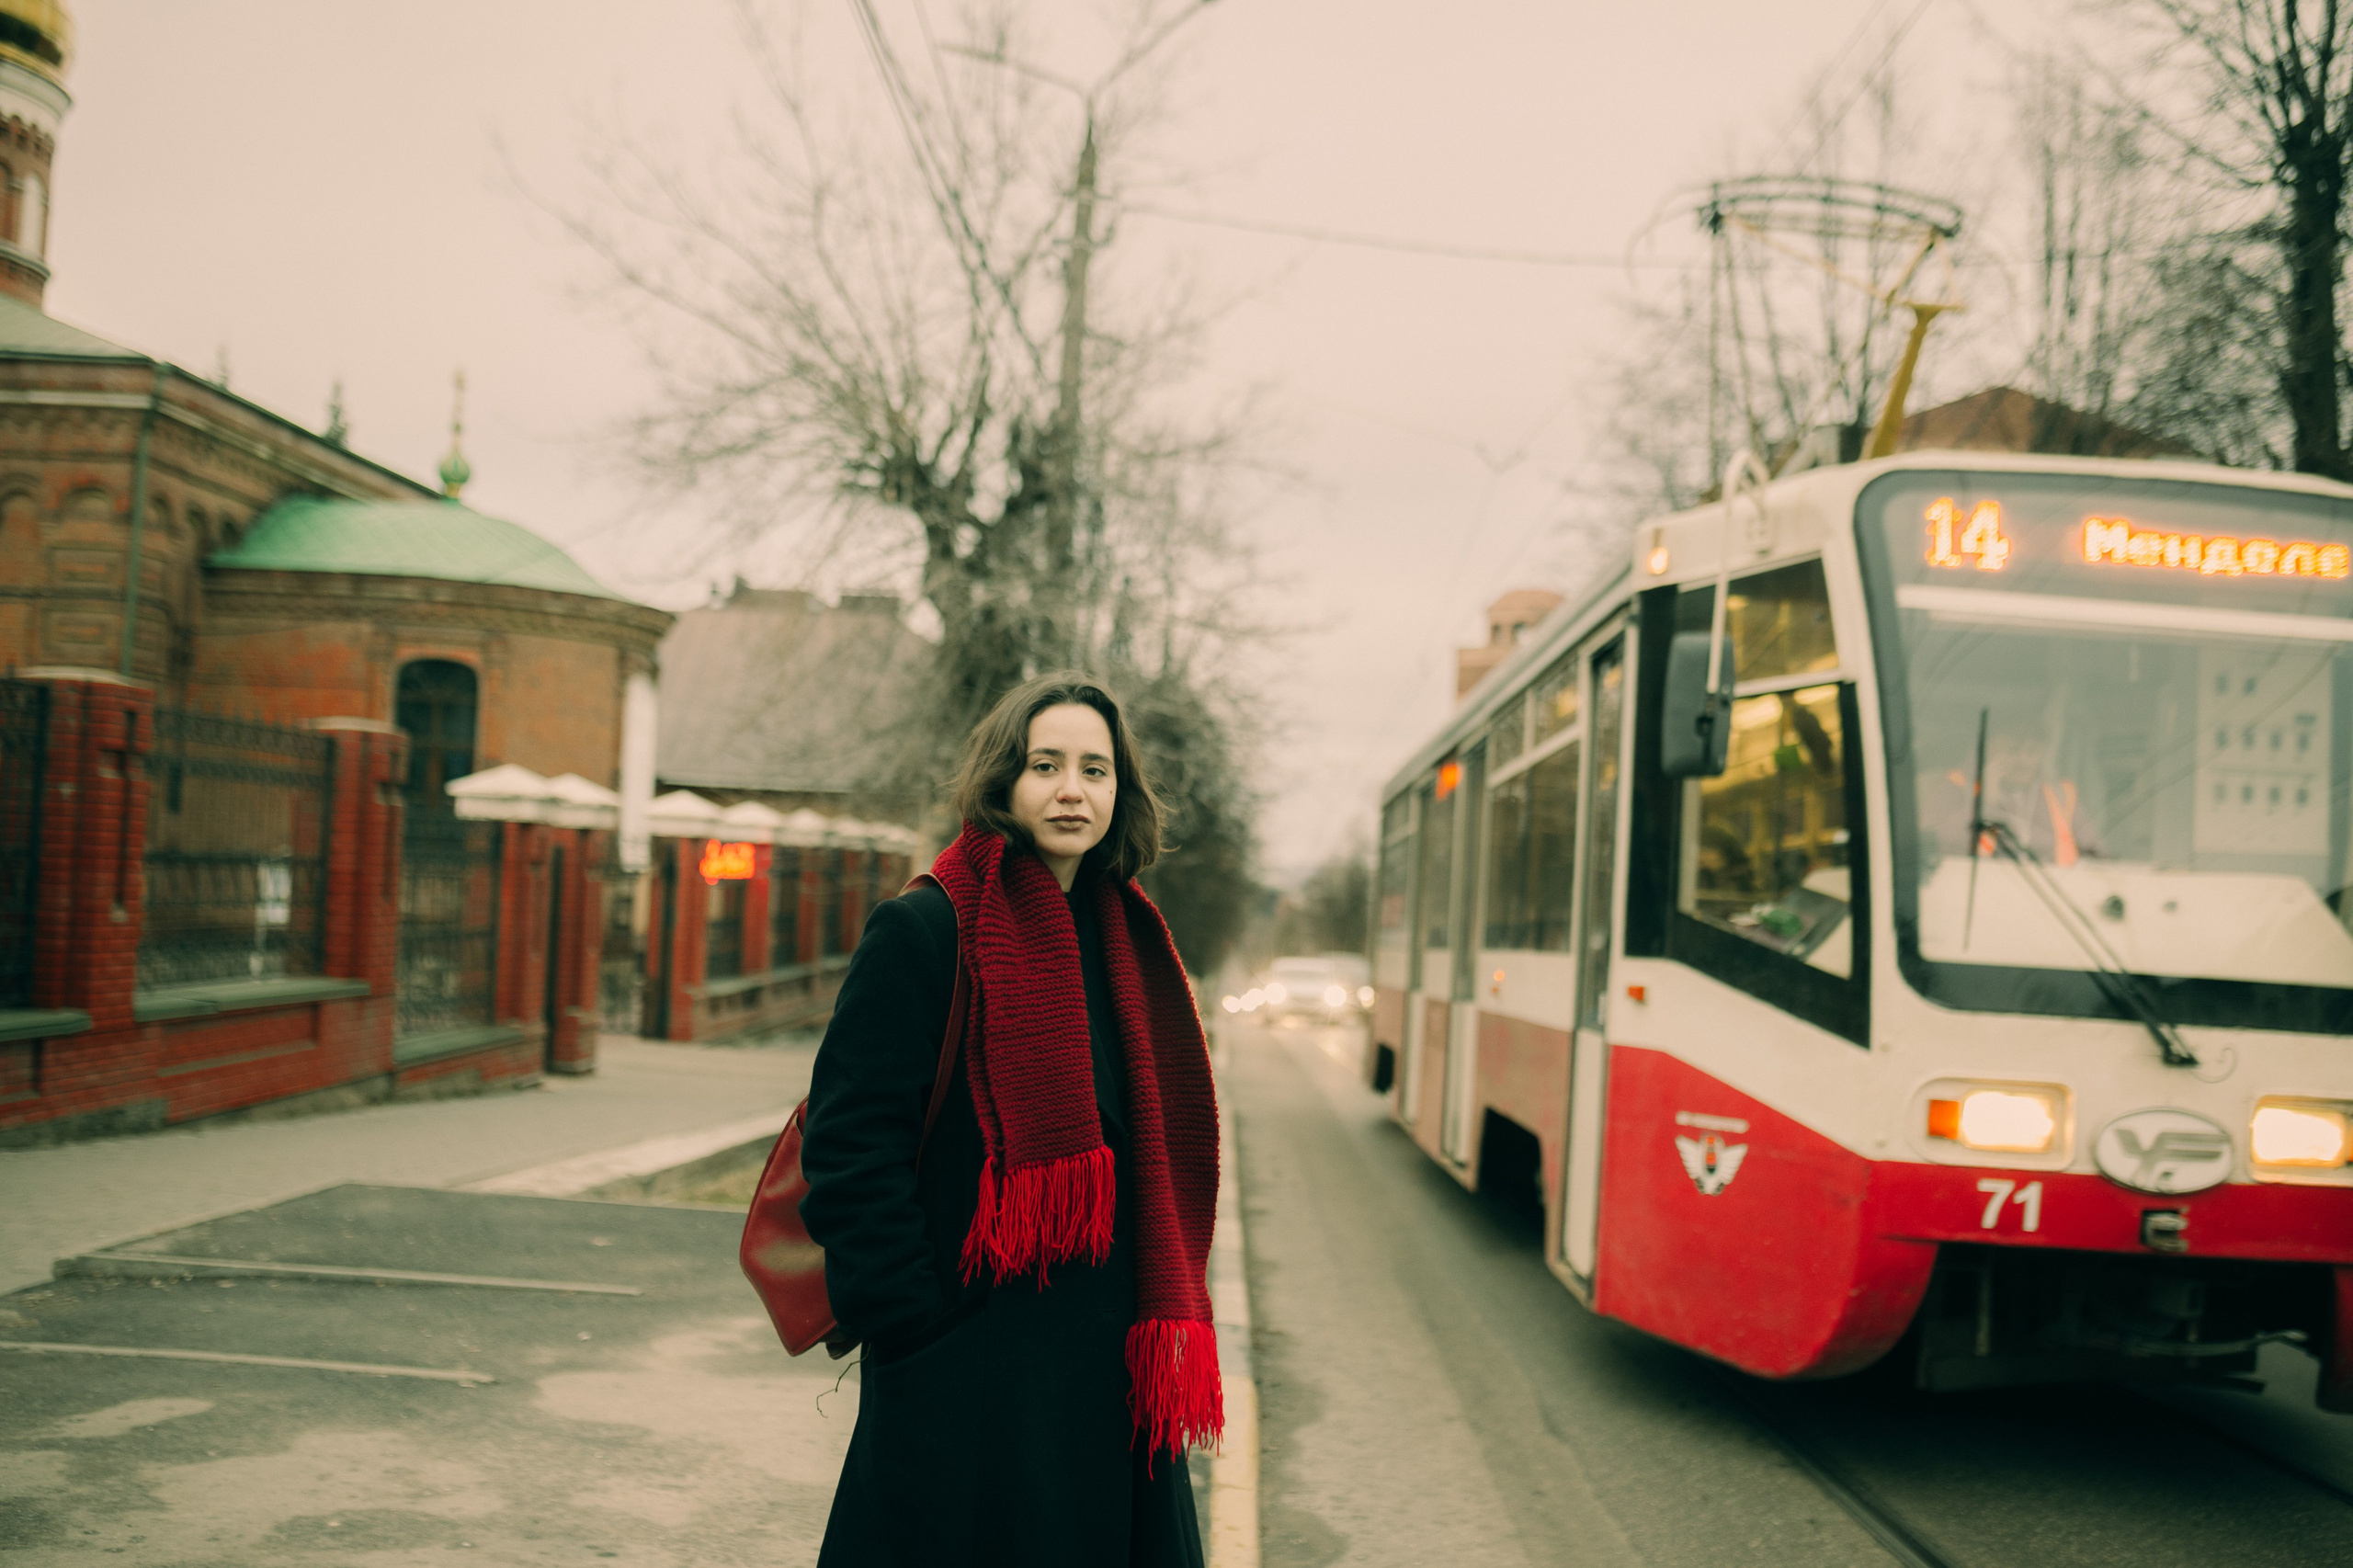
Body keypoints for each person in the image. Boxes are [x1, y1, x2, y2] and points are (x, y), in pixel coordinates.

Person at [800, 673, 1219, 1568]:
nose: (1073, 789)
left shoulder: (1132, 946)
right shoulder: (925, 928)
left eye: (1096, 769)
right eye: (1047, 764)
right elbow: (848, 1146)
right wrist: (913, 1330)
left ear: (1121, 791)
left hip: (1110, 1381)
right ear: (1004, 779)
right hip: (969, 1375)